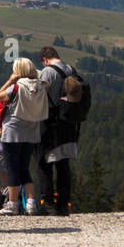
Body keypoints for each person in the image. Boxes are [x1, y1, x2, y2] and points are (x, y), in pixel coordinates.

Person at [0, 57, 47, 215]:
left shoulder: (16, 87)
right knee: (24, 168)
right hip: (32, 131)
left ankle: (13, 203)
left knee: (12, 168)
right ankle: (31, 203)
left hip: (13, 131)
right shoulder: (40, 86)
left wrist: (9, 81)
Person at [36, 47, 79, 216]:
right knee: (63, 164)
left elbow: (39, 95)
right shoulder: (71, 69)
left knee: (43, 162)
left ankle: (46, 203)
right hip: (68, 122)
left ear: (45, 60)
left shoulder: (48, 72)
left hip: (50, 123)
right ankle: (63, 203)